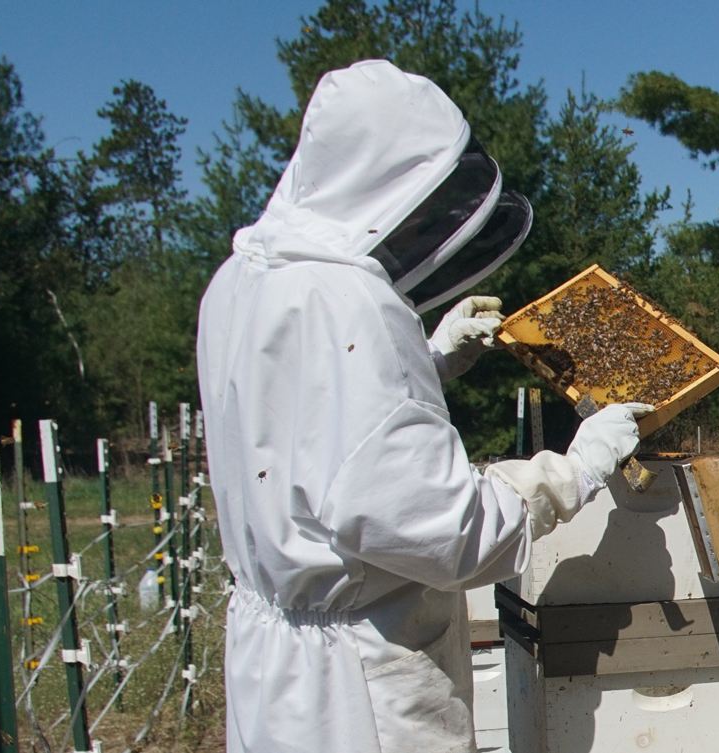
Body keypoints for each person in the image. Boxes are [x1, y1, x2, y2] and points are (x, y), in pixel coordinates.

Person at [198, 59, 649, 753]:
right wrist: (578, 467)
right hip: (358, 688)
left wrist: (432, 364)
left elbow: (302, 437)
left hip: (274, 667)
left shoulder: (240, 282)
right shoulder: (351, 302)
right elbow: (451, 530)